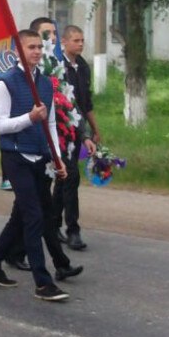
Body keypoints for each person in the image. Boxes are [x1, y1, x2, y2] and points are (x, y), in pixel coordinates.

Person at [0, 29, 76, 302]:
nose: (35, 51)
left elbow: (50, 124)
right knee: (34, 216)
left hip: (40, 156)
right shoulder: (6, 83)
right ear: (17, 52)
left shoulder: (45, 84)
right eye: (30, 47)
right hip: (15, 155)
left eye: (38, 47)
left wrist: (58, 158)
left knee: (23, 216)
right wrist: (28, 118)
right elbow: (0, 125)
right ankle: (42, 282)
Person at [54, 25, 98, 250]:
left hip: (76, 128)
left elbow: (84, 102)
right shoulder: (56, 66)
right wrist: (84, 133)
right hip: (59, 130)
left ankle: (62, 227)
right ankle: (67, 228)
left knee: (68, 179)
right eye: (76, 40)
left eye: (82, 40)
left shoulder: (82, 66)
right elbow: (66, 104)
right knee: (67, 177)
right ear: (64, 42)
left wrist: (93, 129)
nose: (80, 44)